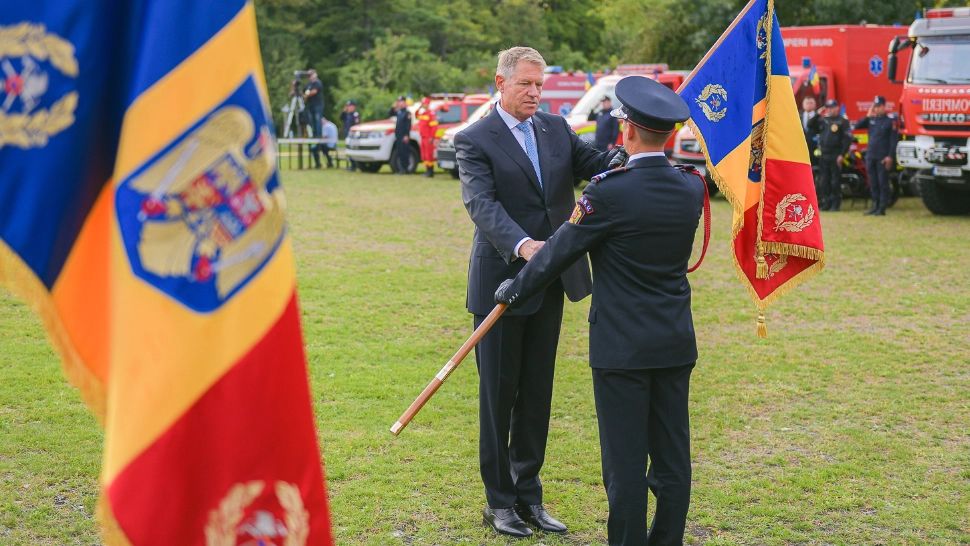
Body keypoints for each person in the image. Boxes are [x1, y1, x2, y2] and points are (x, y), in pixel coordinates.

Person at [495, 75, 703, 546]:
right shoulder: (690, 188)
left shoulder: (608, 192)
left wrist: (514, 289)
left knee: (625, 464)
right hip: (673, 339)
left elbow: (556, 254)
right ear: (668, 134)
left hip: (621, 346)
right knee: (672, 459)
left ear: (626, 131)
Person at [455, 46, 627, 539]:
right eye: (526, 84)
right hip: (500, 284)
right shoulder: (475, 139)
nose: (535, 92)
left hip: (551, 280)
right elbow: (481, 204)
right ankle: (499, 502)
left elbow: (595, 165)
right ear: (501, 82)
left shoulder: (554, 129)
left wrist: (629, 144)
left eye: (540, 84)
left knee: (535, 395)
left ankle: (529, 495)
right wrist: (523, 244)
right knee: (499, 396)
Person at [853, 95, 898, 216]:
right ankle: (875, 205)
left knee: (882, 183)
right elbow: (857, 126)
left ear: (884, 106)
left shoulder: (889, 121)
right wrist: (868, 115)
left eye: (878, 106)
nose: (876, 109)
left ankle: (882, 207)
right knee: (873, 182)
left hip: (882, 157)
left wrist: (890, 156)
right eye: (875, 107)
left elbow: (893, 141)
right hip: (871, 155)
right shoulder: (872, 120)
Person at [807, 99, 851, 211]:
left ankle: (835, 204)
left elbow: (847, 140)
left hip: (836, 154)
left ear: (837, 108)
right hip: (824, 154)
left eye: (832, 107)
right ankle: (826, 203)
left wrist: (842, 154)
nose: (830, 110)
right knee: (824, 180)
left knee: (835, 181)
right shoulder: (824, 120)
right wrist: (818, 113)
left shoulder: (842, 121)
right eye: (828, 108)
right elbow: (810, 125)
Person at [304, 69, 324, 169]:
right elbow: (304, 93)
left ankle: (318, 134)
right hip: (310, 106)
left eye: (311, 75)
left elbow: (314, 92)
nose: (309, 77)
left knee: (317, 119)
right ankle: (314, 134)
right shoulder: (308, 84)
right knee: (312, 121)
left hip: (317, 105)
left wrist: (307, 94)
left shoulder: (317, 83)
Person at [415, 97, 439, 177]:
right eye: (422, 103)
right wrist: (419, 108)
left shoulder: (431, 114)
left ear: (427, 104)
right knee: (424, 155)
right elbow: (416, 115)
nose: (423, 105)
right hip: (423, 137)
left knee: (429, 155)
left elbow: (434, 127)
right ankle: (427, 171)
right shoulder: (423, 114)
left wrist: (432, 137)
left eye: (424, 103)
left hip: (428, 138)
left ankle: (430, 172)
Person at [391, 96, 412, 173]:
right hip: (398, 135)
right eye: (399, 102)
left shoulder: (407, 113)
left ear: (405, 103)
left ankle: (406, 168)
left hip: (404, 136)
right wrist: (394, 106)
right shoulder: (399, 112)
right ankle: (402, 168)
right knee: (400, 152)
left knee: (404, 152)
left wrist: (406, 135)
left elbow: (408, 125)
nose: (400, 103)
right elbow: (390, 113)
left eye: (402, 102)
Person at [340, 100, 361, 171]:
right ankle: (352, 165)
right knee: (348, 150)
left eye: (350, 106)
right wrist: (344, 111)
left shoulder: (355, 114)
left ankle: (355, 165)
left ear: (354, 107)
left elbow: (357, 124)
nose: (348, 108)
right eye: (347, 106)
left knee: (353, 150)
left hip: (353, 135)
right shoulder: (346, 114)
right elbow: (341, 118)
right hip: (347, 135)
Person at [800, 96, 818, 166]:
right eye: (807, 103)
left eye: (811, 103)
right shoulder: (798, 115)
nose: (809, 105)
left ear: (815, 104)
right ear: (803, 105)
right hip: (801, 147)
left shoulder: (819, 116)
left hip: (815, 147)